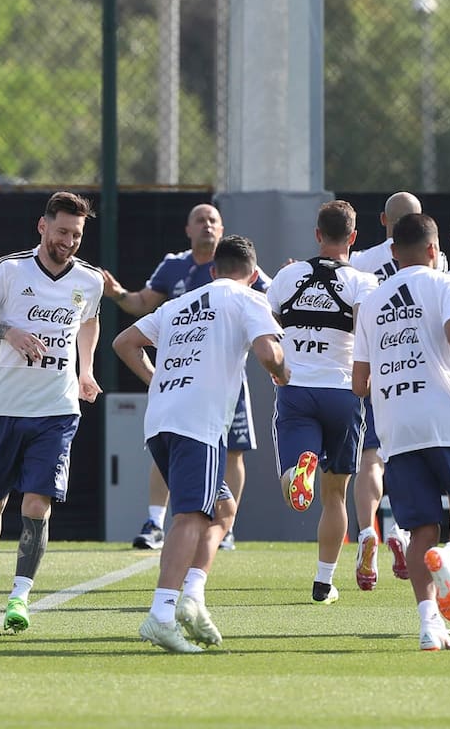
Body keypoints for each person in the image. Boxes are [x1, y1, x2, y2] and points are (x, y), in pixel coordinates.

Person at [114, 235, 288, 653]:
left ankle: (192, 597)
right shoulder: (248, 298)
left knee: (222, 510)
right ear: (253, 274)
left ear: (213, 270)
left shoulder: (177, 304)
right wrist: (284, 374)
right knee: (192, 517)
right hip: (199, 423)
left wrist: (157, 380)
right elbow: (268, 353)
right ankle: (161, 614)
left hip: (160, 420)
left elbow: (124, 343)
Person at [351, 213, 450, 652]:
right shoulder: (449, 284)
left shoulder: (372, 301)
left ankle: (428, 625)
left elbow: (359, 383)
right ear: (436, 249)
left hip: (397, 427)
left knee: (420, 529)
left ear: (393, 252)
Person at [0, 191, 103, 633]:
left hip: (57, 408)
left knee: (38, 502)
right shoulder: (11, 269)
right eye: (62, 231)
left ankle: (20, 597)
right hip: (5, 407)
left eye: (76, 234)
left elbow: (89, 320)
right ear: (43, 226)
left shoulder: (90, 280)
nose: (69, 241)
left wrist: (86, 371)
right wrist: (10, 332)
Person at [102, 203, 270, 552]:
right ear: (188, 230)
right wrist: (118, 294)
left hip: (225, 380)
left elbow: (274, 301)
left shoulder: (242, 270)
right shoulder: (174, 265)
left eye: (213, 220)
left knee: (233, 450)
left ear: (222, 230)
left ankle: (224, 527)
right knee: (172, 442)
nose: (207, 225)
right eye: (200, 220)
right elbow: (141, 304)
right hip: (181, 379)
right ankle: (155, 523)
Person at [265, 201, 378, 603]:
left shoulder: (288, 275)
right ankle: (324, 582)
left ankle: (301, 472)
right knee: (336, 495)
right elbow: (366, 332)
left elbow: (268, 325)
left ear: (317, 234)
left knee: (293, 483)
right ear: (353, 237)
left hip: (296, 388)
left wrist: (286, 354)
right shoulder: (363, 281)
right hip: (343, 393)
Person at [348, 191, 448, 585]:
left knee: (371, 457)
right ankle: (404, 530)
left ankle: (366, 530)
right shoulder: (437, 259)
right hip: (424, 372)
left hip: (378, 367)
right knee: (421, 456)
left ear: (382, 220)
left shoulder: (360, 261)